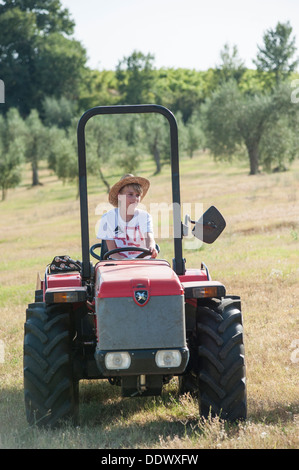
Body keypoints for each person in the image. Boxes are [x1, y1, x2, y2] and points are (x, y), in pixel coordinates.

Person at [97, 174, 158, 259]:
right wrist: (127, 261)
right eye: (130, 194)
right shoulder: (108, 218)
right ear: (120, 196)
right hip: (119, 264)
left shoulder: (145, 217)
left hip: (143, 262)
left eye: (137, 195)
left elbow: (149, 238)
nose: (135, 199)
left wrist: (151, 247)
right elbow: (112, 252)